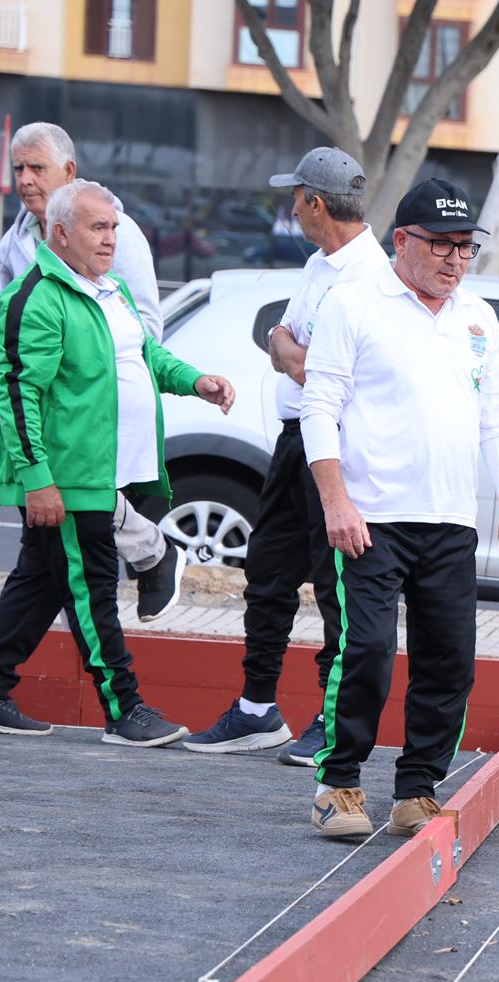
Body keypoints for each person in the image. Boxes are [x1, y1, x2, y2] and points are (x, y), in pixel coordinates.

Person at [297, 178, 499, 840]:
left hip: (450, 520)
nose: (456, 260)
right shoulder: (355, 303)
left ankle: (416, 790)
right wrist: (335, 500)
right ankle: (338, 783)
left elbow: (496, 415)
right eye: (443, 246)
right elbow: (320, 405)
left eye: (466, 248)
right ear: (402, 241)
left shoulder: (478, 318)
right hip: (370, 516)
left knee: (450, 660)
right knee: (367, 649)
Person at [0, 180, 235, 743]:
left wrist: (194, 381)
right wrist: (38, 480)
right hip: (70, 478)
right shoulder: (36, 297)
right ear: (60, 233)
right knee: (93, 589)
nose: (110, 240)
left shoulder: (112, 291)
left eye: (113, 228)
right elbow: (14, 393)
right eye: (97, 228)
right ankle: (124, 709)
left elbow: (144, 354)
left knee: (40, 584)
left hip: (108, 472)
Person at [183, 148, 386, 764]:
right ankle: (255, 710)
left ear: (316, 202)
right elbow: (282, 342)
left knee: (334, 589)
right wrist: (293, 352)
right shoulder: (320, 265)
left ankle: (331, 722)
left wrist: (296, 354)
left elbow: (321, 369)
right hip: (294, 438)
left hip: (338, 446)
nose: (291, 208)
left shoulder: (370, 277)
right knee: (267, 576)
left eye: (295, 196)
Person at [0, 121, 184, 622]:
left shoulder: (116, 231)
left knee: (72, 554)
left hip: (96, 409)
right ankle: (149, 558)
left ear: (69, 170)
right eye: (18, 168)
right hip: (42, 413)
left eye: (38, 167)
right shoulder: (14, 240)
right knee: (52, 561)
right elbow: (9, 334)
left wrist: (80, 359)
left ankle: (151, 556)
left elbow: (144, 326)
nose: (26, 179)